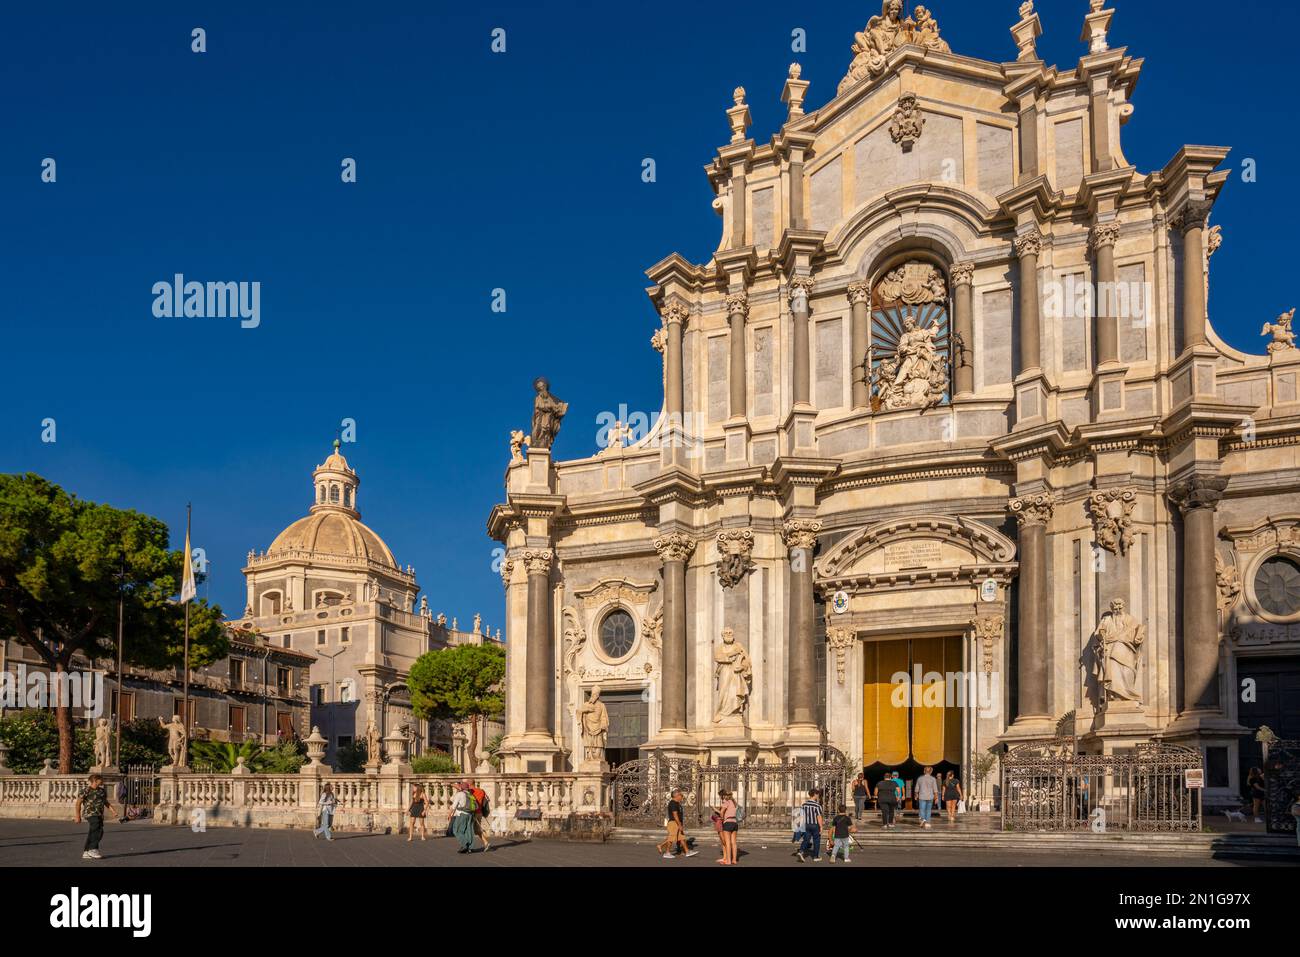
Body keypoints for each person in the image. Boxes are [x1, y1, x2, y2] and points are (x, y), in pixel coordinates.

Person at [74, 773, 114, 860]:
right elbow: (78, 803)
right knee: (97, 829)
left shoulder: (102, 791)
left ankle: (86, 851)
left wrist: (113, 810)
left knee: (95, 831)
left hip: (99, 814)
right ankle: (93, 849)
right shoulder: (85, 790)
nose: (102, 781)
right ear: (95, 781)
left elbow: (105, 802)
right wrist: (77, 816)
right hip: (90, 814)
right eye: (101, 780)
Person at [656, 788, 697, 859]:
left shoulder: (677, 803)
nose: (682, 796)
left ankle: (687, 852)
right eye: (681, 795)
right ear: (676, 796)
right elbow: (675, 815)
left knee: (682, 838)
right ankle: (667, 853)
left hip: (676, 823)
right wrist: (679, 824)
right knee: (671, 838)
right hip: (673, 823)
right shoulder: (673, 803)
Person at [450, 780, 478, 853]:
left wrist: (450, 814)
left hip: (462, 814)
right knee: (469, 831)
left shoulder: (460, 794)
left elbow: (454, 806)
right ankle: (470, 848)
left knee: (457, 830)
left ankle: (465, 845)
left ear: (461, 787)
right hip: (470, 814)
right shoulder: (470, 794)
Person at [797, 788, 824, 862]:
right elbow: (819, 816)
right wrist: (821, 827)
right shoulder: (817, 805)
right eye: (817, 794)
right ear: (815, 794)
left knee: (806, 839)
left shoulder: (804, 805)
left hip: (806, 824)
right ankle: (816, 856)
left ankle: (801, 851)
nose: (818, 796)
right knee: (816, 840)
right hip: (815, 825)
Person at [714, 788, 739, 865]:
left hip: (728, 823)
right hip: (735, 823)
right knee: (734, 843)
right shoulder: (734, 802)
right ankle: (734, 860)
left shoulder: (726, 802)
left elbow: (721, 812)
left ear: (725, 796)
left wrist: (722, 818)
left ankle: (728, 861)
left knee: (727, 843)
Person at [469, 779, 492, 852]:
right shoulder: (481, 791)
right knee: (477, 829)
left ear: (469, 784)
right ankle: (486, 842)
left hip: (473, 812)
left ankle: (469, 847)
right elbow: (487, 799)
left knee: (470, 829)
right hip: (480, 812)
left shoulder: (470, 792)